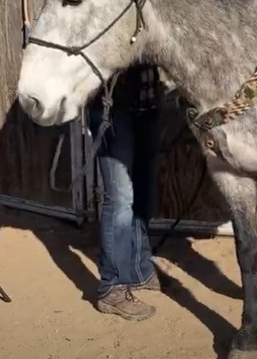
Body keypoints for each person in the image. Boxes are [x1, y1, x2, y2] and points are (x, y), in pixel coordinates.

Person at [86, 63, 162, 321]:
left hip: (146, 106)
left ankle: (140, 268)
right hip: (111, 107)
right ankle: (113, 287)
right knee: (120, 198)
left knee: (142, 190)